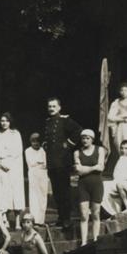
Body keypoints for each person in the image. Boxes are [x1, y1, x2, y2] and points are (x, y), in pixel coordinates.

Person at [42, 98, 82, 229]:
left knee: (64, 191)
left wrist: (68, 144)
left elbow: (78, 130)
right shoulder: (48, 122)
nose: (51, 108)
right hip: (52, 162)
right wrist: (45, 145)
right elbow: (49, 139)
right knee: (57, 192)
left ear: (59, 108)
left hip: (63, 162)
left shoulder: (65, 120)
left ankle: (67, 219)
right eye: (49, 106)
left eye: (54, 106)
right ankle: (60, 217)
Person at [0, 113, 25, 230]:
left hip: (13, 167)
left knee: (15, 193)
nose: (4, 123)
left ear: (10, 122)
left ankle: (17, 222)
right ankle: (3, 219)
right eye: (2, 121)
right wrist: (0, 164)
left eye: (6, 121)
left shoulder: (15, 134)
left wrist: (9, 164)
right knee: (1, 193)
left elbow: (18, 152)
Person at [74, 129, 106, 245]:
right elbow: (78, 171)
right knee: (83, 214)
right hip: (83, 185)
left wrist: (85, 168)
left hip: (96, 184)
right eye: (83, 138)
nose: (85, 140)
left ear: (92, 139)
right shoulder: (77, 152)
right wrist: (93, 167)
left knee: (96, 213)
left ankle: (96, 239)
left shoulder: (100, 150)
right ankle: (83, 242)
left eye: (87, 138)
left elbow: (101, 167)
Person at [24, 133, 48, 225]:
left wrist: (39, 163)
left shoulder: (43, 150)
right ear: (30, 142)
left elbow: (45, 164)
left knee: (42, 196)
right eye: (33, 141)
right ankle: (34, 218)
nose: (36, 143)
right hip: (33, 175)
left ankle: (41, 220)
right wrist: (39, 163)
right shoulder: (27, 151)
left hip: (43, 175)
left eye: (38, 141)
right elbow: (31, 163)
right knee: (34, 196)